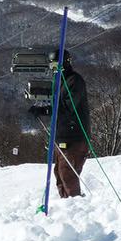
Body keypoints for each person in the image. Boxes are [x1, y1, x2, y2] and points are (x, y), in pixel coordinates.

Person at [50, 49, 91, 198]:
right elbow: (58, 105)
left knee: (68, 174)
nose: (53, 69)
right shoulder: (60, 81)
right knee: (59, 173)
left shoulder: (74, 81)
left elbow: (69, 107)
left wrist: (49, 111)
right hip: (62, 136)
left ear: (65, 64)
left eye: (56, 65)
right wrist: (43, 109)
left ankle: (75, 205)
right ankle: (66, 204)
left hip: (74, 137)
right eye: (51, 66)